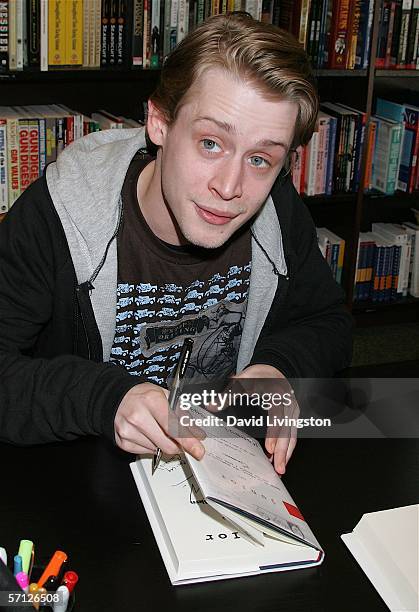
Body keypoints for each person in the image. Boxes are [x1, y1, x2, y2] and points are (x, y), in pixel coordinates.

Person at [0, 14, 353, 474]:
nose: (231, 186)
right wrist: (105, 399)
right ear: (160, 122)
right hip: (81, 481)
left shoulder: (278, 209)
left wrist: (279, 368)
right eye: (210, 143)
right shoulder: (58, 212)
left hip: (222, 472)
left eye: (261, 158)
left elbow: (329, 323)